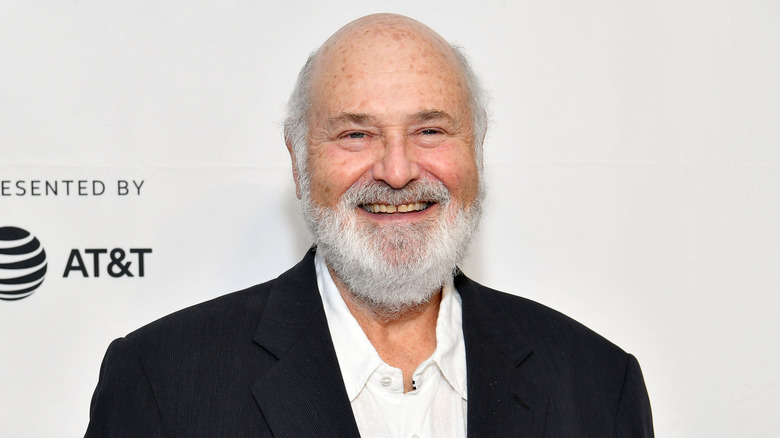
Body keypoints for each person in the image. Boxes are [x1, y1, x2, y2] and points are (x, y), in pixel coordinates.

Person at [86, 13, 653, 437]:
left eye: (430, 130)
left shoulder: (596, 383)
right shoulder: (161, 381)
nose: (398, 171)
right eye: (356, 134)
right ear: (298, 158)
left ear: (476, 150)